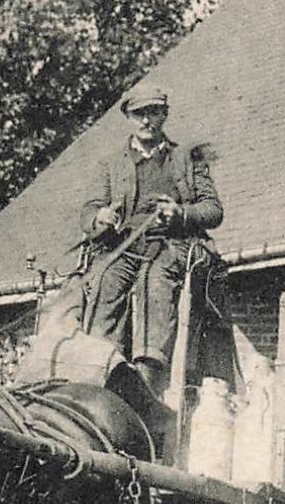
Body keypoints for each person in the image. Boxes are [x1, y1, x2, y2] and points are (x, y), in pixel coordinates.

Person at [52, 85, 224, 391]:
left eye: (153, 113)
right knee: (105, 278)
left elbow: (213, 210)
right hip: (124, 245)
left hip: (173, 244)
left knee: (155, 281)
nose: (146, 121)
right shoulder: (110, 163)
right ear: (128, 118)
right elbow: (89, 208)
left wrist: (181, 214)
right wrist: (100, 217)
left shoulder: (186, 159)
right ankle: (99, 365)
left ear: (164, 115)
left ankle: (149, 376)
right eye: (138, 114)